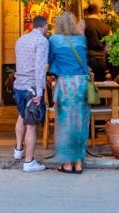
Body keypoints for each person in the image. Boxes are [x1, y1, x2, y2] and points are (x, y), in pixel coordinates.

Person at [48, 11, 90, 174]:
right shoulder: (81, 39)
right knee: (80, 121)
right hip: (81, 83)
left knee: (65, 123)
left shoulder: (54, 39)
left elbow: (50, 60)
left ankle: (67, 163)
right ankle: (78, 163)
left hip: (65, 83)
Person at [13, 15, 49, 172]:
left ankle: (18, 150)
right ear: (45, 26)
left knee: (22, 115)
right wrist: (40, 91)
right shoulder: (42, 41)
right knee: (32, 125)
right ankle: (29, 162)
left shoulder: (20, 40)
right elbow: (40, 67)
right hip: (32, 88)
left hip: (19, 86)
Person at [83, 3, 112, 81]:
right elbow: (108, 49)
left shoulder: (81, 24)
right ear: (98, 12)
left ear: (87, 12)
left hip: (84, 60)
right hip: (100, 61)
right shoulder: (106, 28)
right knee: (100, 88)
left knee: (84, 88)